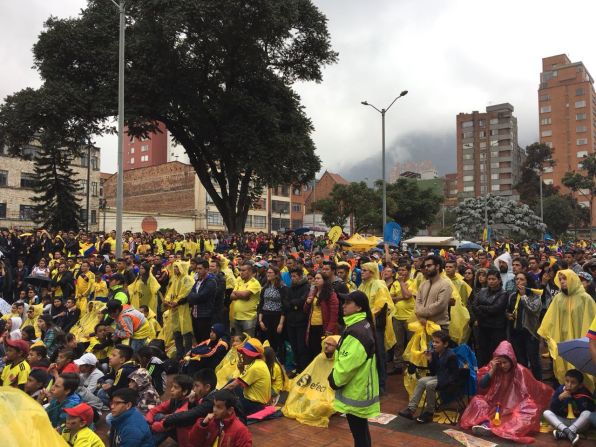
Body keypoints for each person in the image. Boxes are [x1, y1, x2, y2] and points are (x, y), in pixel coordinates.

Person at [460, 341, 552, 444]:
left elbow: (528, 392)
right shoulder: (494, 368)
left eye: (505, 363)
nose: (503, 366)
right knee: (477, 401)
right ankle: (488, 424)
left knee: (528, 412)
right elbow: (482, 384)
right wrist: (493, 370)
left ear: (511, 361)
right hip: (494, 404)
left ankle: (491, 426)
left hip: (513, 407)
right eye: (500, 363)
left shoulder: (520, 371)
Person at [329, 291, 379, 447]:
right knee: (361, 431)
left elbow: (348, 364)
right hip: (361, 385)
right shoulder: (362, 324)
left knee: (359, 433)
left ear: (358, 307)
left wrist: (334, 380)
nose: (343, 306)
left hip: (356, 388)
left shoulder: (357, 331)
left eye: (347, 303)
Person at [538, 269, 596, 387]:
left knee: (581, 369)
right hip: (562, 339)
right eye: (560, 279)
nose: (562, 282)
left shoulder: (586, 298)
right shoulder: (558, 299)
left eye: (565, 279)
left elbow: (591, 321)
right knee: (562, 366)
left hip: (580, 339)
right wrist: (546, 337)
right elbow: (550, 319)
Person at [398, 330, 459, 423]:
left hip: (448, 380)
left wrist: (442, 381)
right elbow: (433, 371)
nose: (434, 344)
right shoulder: (434, 353)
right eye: (433, 341)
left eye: (437, 342)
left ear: (445, 344)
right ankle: (411, 409)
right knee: (421, 380)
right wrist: (430, 360)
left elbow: (454, 375)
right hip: (439, 377)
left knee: (430, 384)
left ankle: (429, 412)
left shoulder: (451, 356)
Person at [506, 272, 542, 380]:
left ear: (527, 281)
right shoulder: (512, 295)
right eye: (517, 279)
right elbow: (508, 309)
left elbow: (533, 309)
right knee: (521, 360)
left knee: (533, 360)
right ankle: (524, 382)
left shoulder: (535, 295)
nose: (519, 282)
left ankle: (537, 382)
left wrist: (523, 296)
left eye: (522, 279)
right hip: (516, 332)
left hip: (530, 332)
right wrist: (507, 315)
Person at [543, 369, 595, 445]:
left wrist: (574, 399)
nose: (569, 385)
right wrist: (559, 399)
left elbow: (590, 412)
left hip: (578, 424)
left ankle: (564, 433)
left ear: (580, 385)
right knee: (546, 413)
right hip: (563, 422)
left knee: (587, 413)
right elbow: (553, 408)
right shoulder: (560, 390)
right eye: (567, 381)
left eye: (573, 383)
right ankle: (568, 432)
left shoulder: (584, 393)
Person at [469, 269, 508, 367]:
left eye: (493, 279)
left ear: (499, 280)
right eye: (489, 279)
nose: (491, 281)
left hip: (496, 328)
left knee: (495, 352)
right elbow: (474, 305)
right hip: (483, 327)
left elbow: (496, 309)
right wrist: (484, 311)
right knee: (482, 352)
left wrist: (481, 308)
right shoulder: (482, 291)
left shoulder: (503, 293)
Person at [188, 389, 252, 447]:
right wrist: (202, 424)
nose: (214, 410)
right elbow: (193, 442)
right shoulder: (209, 422)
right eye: (214, 405)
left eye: (219, 407)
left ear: (230, 410)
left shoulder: (241, 431)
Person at [161, 369, 218, 434]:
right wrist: (191, 402)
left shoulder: (210, 402)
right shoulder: (208, 396)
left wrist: (169, 419)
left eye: (197, 386)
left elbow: (192, 415)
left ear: (207, 387)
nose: (194, 389)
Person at [224, 337, 271, 415]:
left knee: (226, 402)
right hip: (254, 400)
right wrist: (241, 369)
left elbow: (232, 386)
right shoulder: (257, 363)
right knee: (231, 383)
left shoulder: (256, 366)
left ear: (252, 355)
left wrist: (216, 397)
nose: (242, 355)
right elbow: (243, 383)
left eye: (245, 353)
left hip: (255, 405)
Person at [145, 374, 194, 447]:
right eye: (172, 386)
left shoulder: (185, 407)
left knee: (164, 426)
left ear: (185, 391)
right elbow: (157, 408)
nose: (171, 389)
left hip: (185, 440)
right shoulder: (175, 400)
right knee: (158, 416)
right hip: (173, 425)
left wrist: (150, 426)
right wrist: (148, 419)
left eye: (176, 387)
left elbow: (166, 423)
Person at [304, 272, 339, 365]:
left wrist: (329, 330)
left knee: (323, 351)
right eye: (315, 278)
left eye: (318, 278)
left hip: (324, 327)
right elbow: (306, 310)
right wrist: (307, 303)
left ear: (325, 281)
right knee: (313, 350)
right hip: (312, 327)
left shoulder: (331, 294)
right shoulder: (313, 292)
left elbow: (334, 314)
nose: (316, 280)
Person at [389, 262, 417, 375]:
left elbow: (407, 295)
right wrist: (401, 297)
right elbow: (391, 298)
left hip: (410, 317)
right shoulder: (394, 283)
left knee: (411, 342)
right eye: (399, 270)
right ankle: (398, 365)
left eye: (403, 270)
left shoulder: (412, 283)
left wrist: (401, 284)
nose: (401, 272)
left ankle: (411, 364)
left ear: (409, 272)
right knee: (398, 343)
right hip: (397, 316)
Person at [163, 261, 194, 359]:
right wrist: (168, 301)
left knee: (186, 331)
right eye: (174, 267)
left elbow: (186, 292)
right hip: (175, 309)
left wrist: (176, 302)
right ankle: (179, 353)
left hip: (184, 308)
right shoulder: (175, 279)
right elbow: (170, 292)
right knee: (176, 332)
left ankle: (187, 354)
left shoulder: (188, 279)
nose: (175, 269)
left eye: (177, 267)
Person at [282, 266, 310, 373]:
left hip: (301, 322)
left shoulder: (306, 287)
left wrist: (294, 304)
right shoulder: (290, 288)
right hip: (291, 322)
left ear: (300, 276)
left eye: (295, 276)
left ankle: (303, 370)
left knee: (301, 347)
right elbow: (285, 302)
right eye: (291, 276)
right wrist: (294, 305)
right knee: (294, 346)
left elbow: (302, 301)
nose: (292, 278)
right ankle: (298, 368)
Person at [415, 255, 451, 330]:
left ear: (437, 266)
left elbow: (440, 305)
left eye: (429, 266)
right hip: (422, 324)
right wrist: (421, 317)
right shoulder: (423, 284)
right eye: (425, 266)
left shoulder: (445, 284)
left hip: (439, 326)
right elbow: (418, 302)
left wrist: (420, 313)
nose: (426, 268)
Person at [186, 259, 217, 344]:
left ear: (207, 269)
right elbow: (189, 295)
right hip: (195, 314)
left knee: (205, 340)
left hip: (205, 315)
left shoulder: (211, 281)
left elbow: (201, 296)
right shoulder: (198, 281)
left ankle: (205, 357)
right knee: (198, 338)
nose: (198, 271)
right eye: (197, 269)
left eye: (200, 269)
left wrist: (193, 297)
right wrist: (193, 297)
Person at [257, 266, 287, 354]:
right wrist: (260, 321)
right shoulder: (265, 287)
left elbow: (284, 307)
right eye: (267, 272)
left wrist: (281, 323)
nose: (268, 274)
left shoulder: (282, 287)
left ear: (276, 274)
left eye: (270, 273)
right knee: (265, 341)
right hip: (265, 316)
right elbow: (262, 304)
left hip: (277, 317)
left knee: (276, 341)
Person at [230, 262, 262, 337]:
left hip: (248, 318)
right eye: (240, 270)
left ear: (250, 271)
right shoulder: (239, 280)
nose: (241, 272)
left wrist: (236, 293)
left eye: (243, 270)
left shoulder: (255, 283)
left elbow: (245, 295)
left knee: (248, 343)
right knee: (238, 342)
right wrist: (241, 295)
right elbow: (231, 296)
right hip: (237, 316)